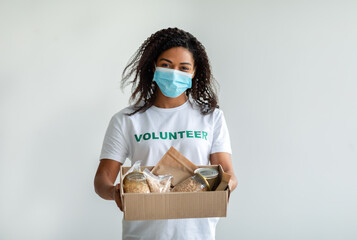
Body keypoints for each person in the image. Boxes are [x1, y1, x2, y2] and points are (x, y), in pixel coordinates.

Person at [94, 27, 238, 240]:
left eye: (184, 67)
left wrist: (227, 187)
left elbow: (226, 171)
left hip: (197, 234)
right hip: (142, 234)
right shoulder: (126, 120)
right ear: (154, 66)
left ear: (194, 71)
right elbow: (102, 179)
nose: (174, 73)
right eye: (166, 65)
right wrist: (114, 192)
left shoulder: (211, 117)